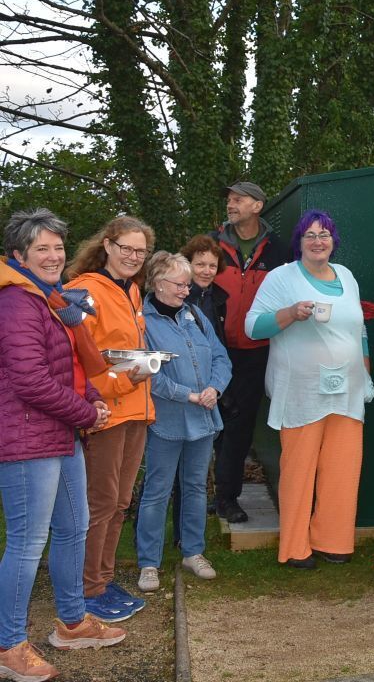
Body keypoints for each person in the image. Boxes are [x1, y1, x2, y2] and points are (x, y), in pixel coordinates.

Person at [0, 209, 126, 682]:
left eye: (57, 248)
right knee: (28, 543)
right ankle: (8, 644)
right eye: (42, 249)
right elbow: (30, 381)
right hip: (29, 437)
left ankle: (72, 622)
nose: (53, 257)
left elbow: (66, 366)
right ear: (19, 256)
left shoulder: (48, 299)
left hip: (59, 432)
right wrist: (85, 413)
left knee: (73, 527)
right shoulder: (15, 302)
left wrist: (92, 397)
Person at [245, 209, 372, 569]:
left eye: (325, 235)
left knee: (342, 468)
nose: (318, 241)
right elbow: (252, 327)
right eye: (310, 235)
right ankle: (295, 546)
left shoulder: (346, 276)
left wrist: (366, 374)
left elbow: (359, 331)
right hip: (301, 391)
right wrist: (289, 314)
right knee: (299, 470)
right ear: (299, 242)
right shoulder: (281, 278)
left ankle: (333, 540)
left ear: (334, 241)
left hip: (346, 391)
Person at [65, 215, 157, 622]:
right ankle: (85, 590)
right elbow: (77, 362)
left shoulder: (133, 291)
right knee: (99, 503)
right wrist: (123, 381)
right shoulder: (83, 291)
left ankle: (101, 580)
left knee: (120, 502)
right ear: (107, 245)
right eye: (126, 248)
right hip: (104, 413)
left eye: (141, 251)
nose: (133, 256)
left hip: (136, 410)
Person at [136, 252, 232, 593]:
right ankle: (149, 563)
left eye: (188, 284)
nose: (186, 290)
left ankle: (193, 552)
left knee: (194, 488)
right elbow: (147, 374)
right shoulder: (142, 321)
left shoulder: (195, 315)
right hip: (167, 420)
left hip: (204, 418)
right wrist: (188, 395)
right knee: (157, 491)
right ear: (159, 283)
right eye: (180, 284)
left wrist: (215, 387)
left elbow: (221, 357)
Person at [211, 181, 289, 524]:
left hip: (256, 353)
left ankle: (228, 498)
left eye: (238, 199)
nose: (231, 204)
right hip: (214, 349)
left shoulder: (279, 251)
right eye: (229, 199)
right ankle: (211, 494)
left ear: (257, 206)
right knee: (213, 425)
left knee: (240, 427)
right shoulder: (211, 245)